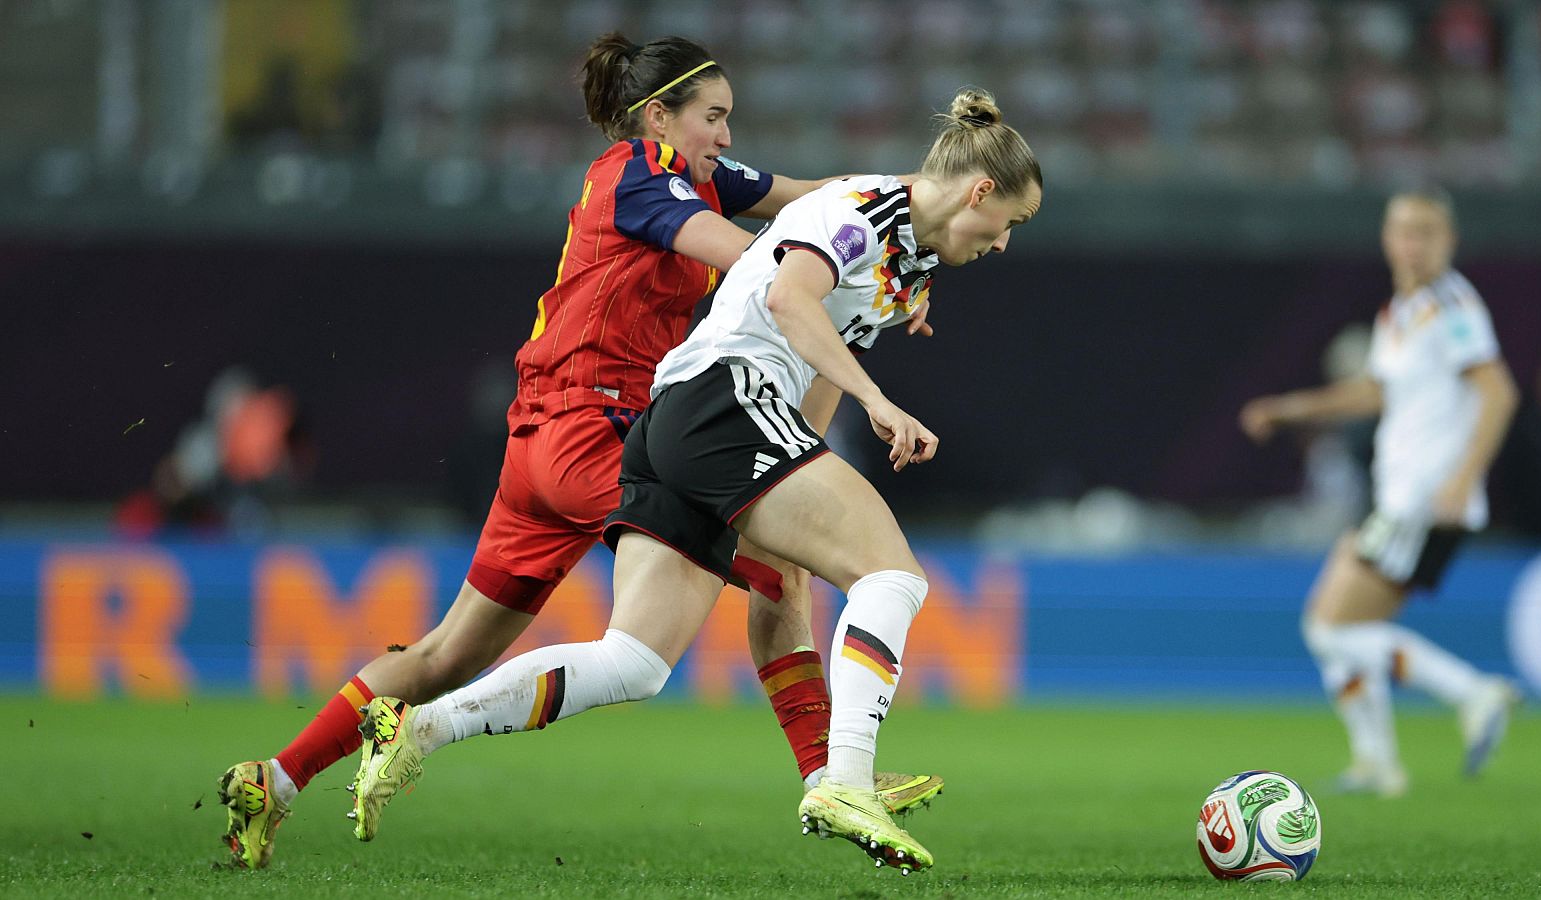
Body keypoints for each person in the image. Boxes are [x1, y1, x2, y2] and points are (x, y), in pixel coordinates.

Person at [217, 33, 939, 870]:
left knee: (448, 654)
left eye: (730, 119)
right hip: (600, 431)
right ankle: (832, 775)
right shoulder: (639, 171)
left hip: (543, 444)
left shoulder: (697, 175)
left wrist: (920, 209)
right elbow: (760, 263)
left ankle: (276, 779)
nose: (728, 138)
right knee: (779, 569)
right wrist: (859, 285)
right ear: (656, 114)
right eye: (713, 117)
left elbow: (816, 202)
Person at [347, 87, 1043, 875]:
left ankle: (419, 728)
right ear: (980, 191)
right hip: (722, 400)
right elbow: (787, 298)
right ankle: (845, 779)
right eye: (1011, 223)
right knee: (892, 575)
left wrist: (802, 471)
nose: (1004, 245)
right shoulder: (859, 210)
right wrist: (877, 402)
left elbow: (817, 363)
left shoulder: (908, 269)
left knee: (636, 661)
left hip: (682, 426)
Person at [1239, 189, 1522, 797]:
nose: (1412, 243)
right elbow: (1373, 392)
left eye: (1426, 231)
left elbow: (1499, 392)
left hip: (1424, 501)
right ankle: (1377, 764)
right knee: (1335, 629)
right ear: (1387, 238)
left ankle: (1472, 692)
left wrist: (1463, 478)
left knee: (1331, 629)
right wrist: (1290, 409)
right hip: (1398, 498)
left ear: (1450, 241)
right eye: (1403, 230)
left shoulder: (1452, 306)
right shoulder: (1399, 312)